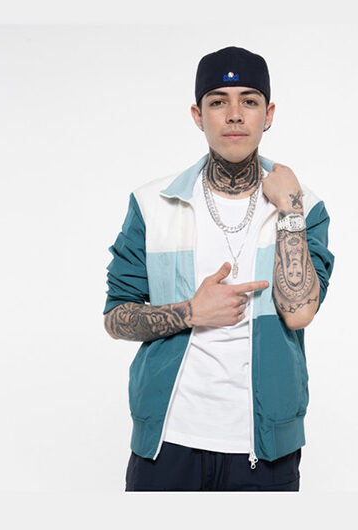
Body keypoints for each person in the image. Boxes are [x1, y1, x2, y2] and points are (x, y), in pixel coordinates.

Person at [103, 46, 335, 491]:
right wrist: (192, 312)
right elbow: (116, 317)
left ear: (268, 114)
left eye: (249, 101)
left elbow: (299, 312)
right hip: (167, 441)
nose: (234, 115)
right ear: (198, 115)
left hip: (265, 447)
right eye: (217, 102)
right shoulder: (153, 204)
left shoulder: (305, 205)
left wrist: (289, 209)